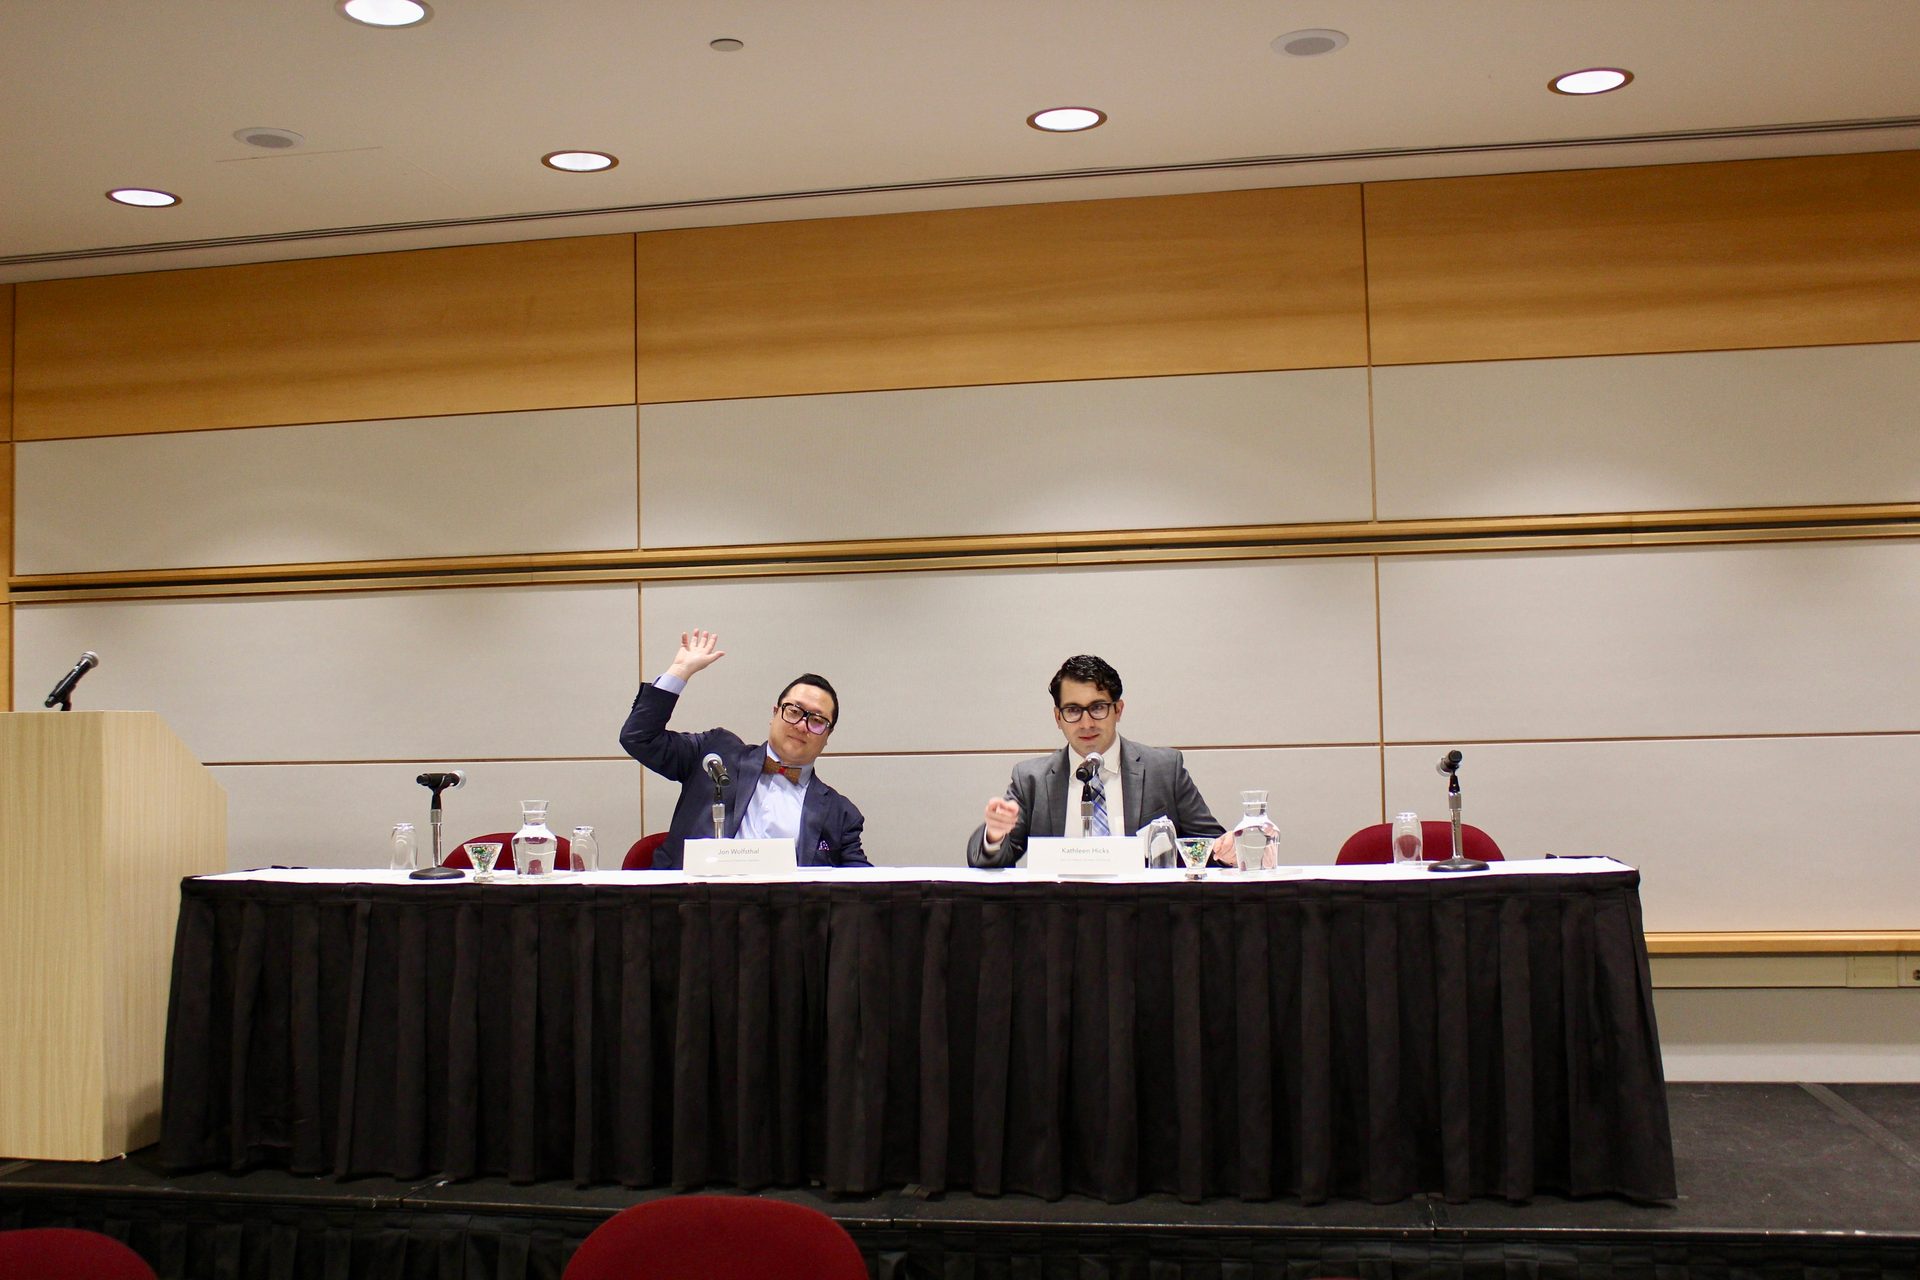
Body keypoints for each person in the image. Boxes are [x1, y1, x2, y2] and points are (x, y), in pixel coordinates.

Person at [620, 629, 868, 870]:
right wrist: (680, 672)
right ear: (775, 714)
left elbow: (864, 888)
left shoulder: (841, 814)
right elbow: (639, 738)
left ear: (827, 736)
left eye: (816, 720)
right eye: (794, 711)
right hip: (690, 906)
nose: (802, 725)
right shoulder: (715, 754)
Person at [967, 654, 1230, 868]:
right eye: (1072, 710)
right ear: (1057, 718)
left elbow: (1211, 845)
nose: (1086, 722)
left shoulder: (1163, 769)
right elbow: (991, 858)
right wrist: (995, 834)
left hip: (1145, 920)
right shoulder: (1030, 779)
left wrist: (1229, 850)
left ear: (1118, 710)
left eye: (1097, 707)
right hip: (1058, 921)